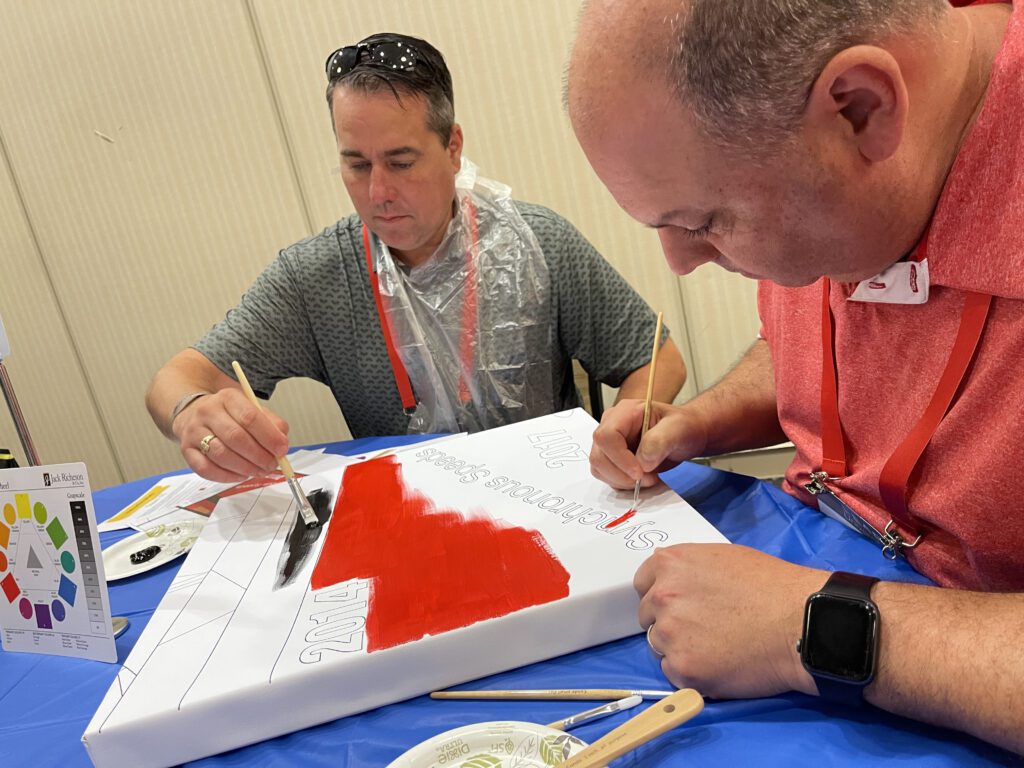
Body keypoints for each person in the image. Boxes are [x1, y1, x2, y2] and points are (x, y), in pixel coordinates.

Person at [568, 0, 1023, 754]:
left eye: (706, 221)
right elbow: (816, 340)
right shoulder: (838, 177)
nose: (680, 263)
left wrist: (811, 624)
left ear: (860, 107)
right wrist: (703, 417)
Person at [146, 33, 685, 484]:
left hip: (555, 505)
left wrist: (627, 424)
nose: (378, 192)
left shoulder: (536, 244)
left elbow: (656, 358)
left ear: (452, 147)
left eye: (401, 162)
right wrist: (191, 412)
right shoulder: (315, 278)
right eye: (356, 165)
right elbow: (177, 377)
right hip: (412, 519)